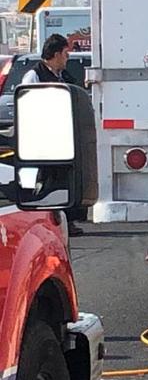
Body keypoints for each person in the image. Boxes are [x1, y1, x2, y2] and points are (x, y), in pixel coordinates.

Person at [22, 34, 84, 235]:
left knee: (64, 180)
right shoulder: (34, 76)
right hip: (43, 139)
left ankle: (66, 220)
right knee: (47, 180)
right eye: (65, 54)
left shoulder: (63, 77)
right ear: (56, 54)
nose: (67, 59)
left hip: (63, 138)